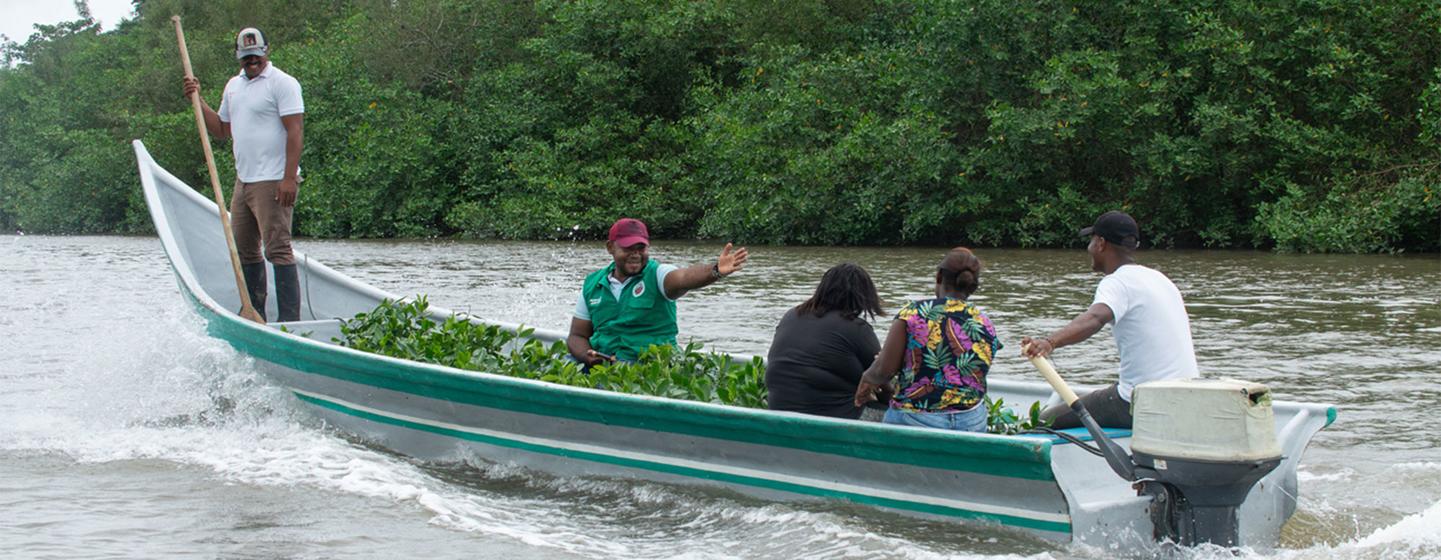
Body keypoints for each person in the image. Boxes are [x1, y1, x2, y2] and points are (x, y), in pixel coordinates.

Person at [1020, 211, 1198, 429]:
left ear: (1101, 244)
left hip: (1139, 403)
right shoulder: (1160, 279)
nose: (1089, 249)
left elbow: (1095, 318)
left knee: (1043, 420)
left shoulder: (1117, 282)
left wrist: (1050, 342)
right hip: (1187, 398)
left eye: (1091, 241)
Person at [182, 27, 305, 322]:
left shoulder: (282, 83)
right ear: (239, 57)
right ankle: (255, 314)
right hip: (244, 181)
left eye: (256, 55)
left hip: (274, 179)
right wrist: (197, 100)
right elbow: (223, 130)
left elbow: (295, 131)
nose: (252, 61)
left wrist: (288, 178)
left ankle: (290, 322)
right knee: (245, 249)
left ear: (267, 51)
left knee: (277, 248)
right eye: (246, 57)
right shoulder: (233, 86)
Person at [853, 248, 1002, 432]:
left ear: (939, 277)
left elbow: (884, 370)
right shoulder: (985, 323)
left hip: (915, 419)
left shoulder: (913, 313)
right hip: (971, 421)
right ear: (973, 285)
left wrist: (866, 380)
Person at [567, 218, 749, 365]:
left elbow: (684, 278)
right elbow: (577, 335)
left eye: (641, 248)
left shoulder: (658, 275)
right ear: (610, 248)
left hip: (649, 366)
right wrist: (587, 356)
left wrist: (715, 271)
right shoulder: (592, 284)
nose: (636, 254)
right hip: (604, 363)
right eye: (628, 248)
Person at [765, 263, 884, 420]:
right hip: (832, 418)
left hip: (777, 411)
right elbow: (881, 373)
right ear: (863, 295)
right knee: (897, 415)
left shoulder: (792, 315)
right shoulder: (857, 328)